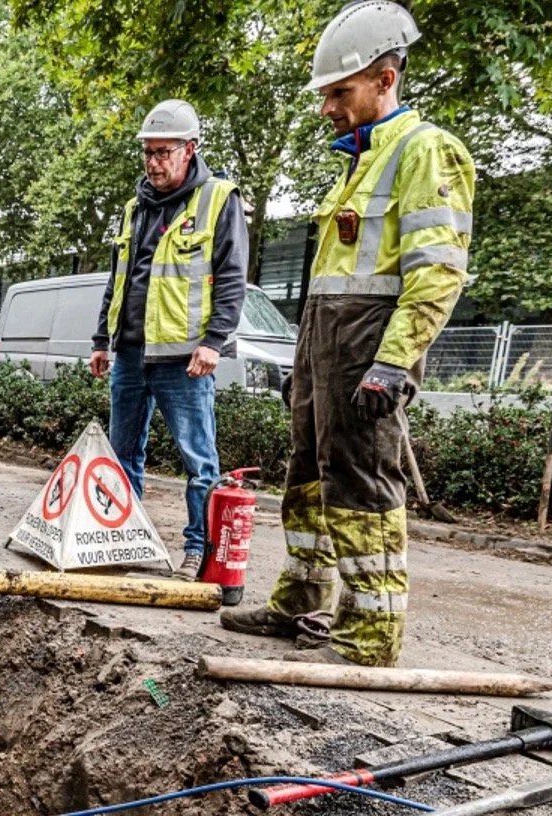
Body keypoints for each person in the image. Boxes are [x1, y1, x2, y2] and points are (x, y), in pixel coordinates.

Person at [221, 1, 474, 667]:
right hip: (327, 348)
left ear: (385, 78)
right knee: (307, 478)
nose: (329, 107)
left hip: (368, 352)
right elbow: (339, 279)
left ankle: (370, 634)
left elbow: (438, 273)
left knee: (362, 487)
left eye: (341, 91)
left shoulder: (425, 153)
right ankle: (302, 600)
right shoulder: (359, 163)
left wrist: (393, 363)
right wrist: (304, 365)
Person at [89, 98, 249, 580]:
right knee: (122, 456)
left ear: (190, 149)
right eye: (148, 153)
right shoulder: (134, 208)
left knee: (199, 460)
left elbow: (233, 277)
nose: (154, 163)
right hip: (132, 353)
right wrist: (103, 338)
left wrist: (214, 341)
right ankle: (121, 537)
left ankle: (197, 550)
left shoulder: (219, 199)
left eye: (164, 152)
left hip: (185, 357)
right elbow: (120, 278)